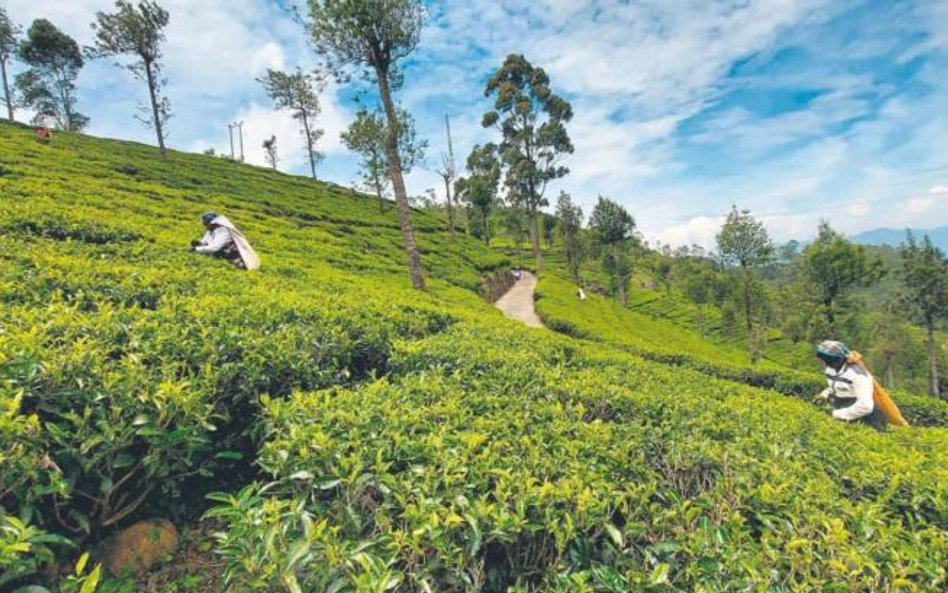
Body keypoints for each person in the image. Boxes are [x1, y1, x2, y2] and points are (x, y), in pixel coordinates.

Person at [814, 340, 881, 425]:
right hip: (842, 409)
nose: (826, 363)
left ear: (839, 360)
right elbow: (836, 386)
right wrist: (823, 395)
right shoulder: (831, 369)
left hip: (862, 418)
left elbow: (865, 406)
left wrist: (835, 414)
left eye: (829, 360)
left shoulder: (857, 376)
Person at [190, 212, 260, 270]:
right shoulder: (211, 230)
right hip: (223, 252)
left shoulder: (223, 231)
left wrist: (196, 249)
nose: (205, 226)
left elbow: (214, 247)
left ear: (212, 224)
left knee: (216, 254)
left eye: (205, 224)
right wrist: (199, 243)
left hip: (234, 254)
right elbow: (206, 241)